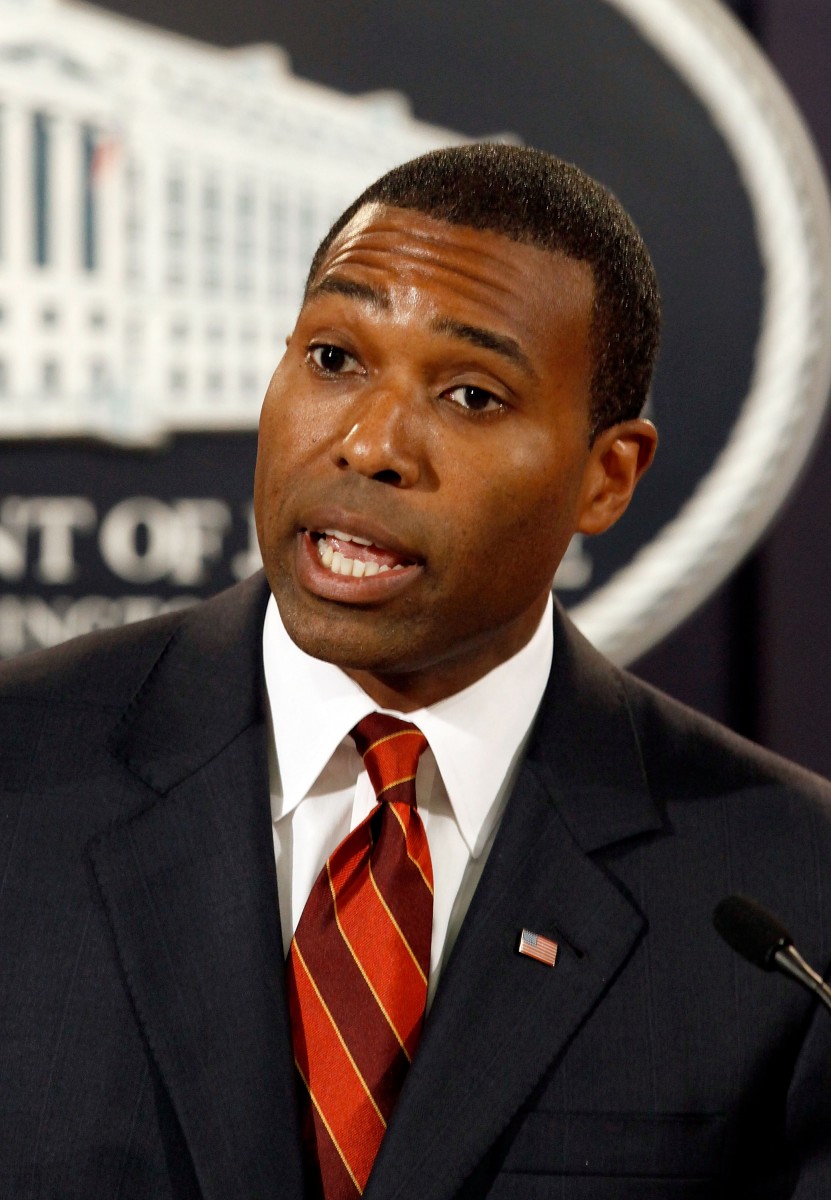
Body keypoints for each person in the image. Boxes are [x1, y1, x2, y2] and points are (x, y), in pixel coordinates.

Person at [2, 143, 831, 1200]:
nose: (368, 445)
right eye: (334, 358)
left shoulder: (790, 893)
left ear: (607, 477)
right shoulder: (19, 774)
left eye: (472, 396)